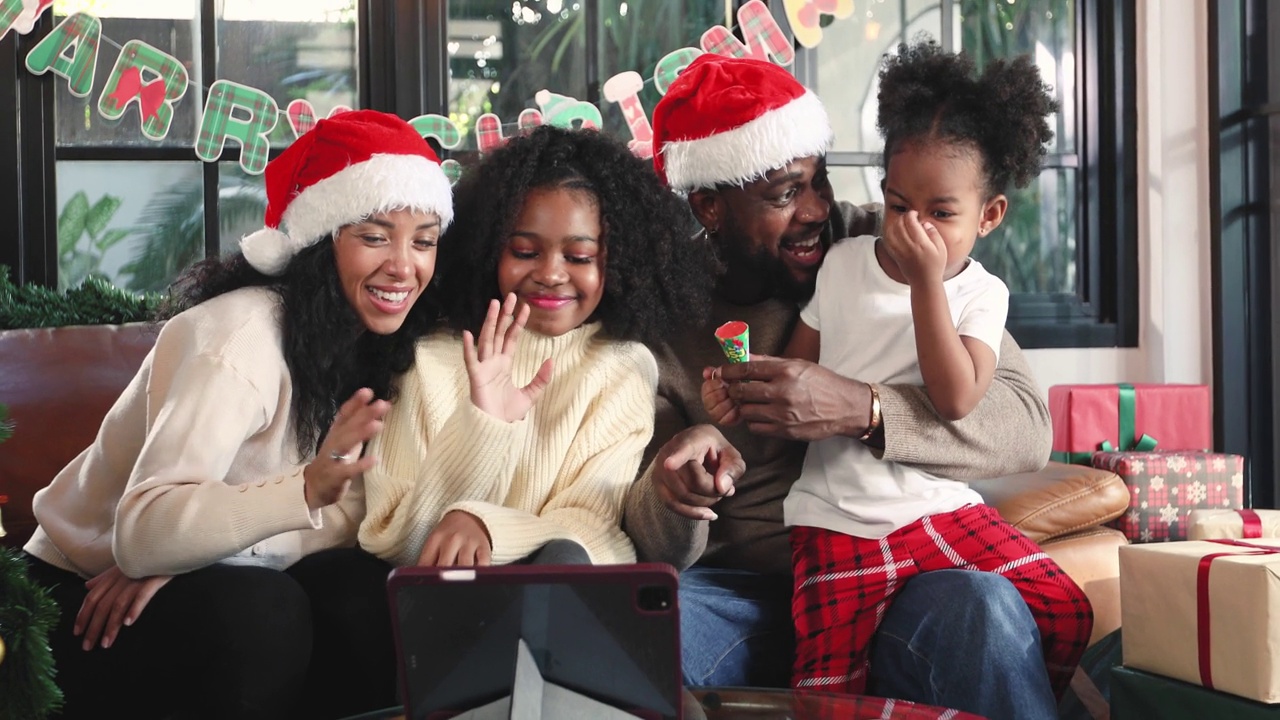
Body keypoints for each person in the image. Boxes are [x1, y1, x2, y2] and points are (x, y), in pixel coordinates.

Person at [623, 53, 1062, 719]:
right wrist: (673, 487)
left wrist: (867, 409)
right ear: (709, 207)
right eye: (783, 194)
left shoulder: (885, 242)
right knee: (638, 638)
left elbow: (1024, 425)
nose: (817, 210)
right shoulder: (658, 315)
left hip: (901, 574)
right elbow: (645, 530)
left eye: (820, 182)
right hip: (741, 586)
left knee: (985, 611)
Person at [21, 109, 454, 719]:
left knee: (366, 594)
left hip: (204, 576)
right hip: (83, 594)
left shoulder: (393, 345)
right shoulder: (241, 333)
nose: (404, 266)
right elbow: (145, 532)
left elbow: (358, 520)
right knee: (261, 613)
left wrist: (201, 553)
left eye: (425, 240)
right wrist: (286, 499)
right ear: (316, 242)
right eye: (374, 236)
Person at [300, 125, 717, 718]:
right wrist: (483, 425)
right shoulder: (432, 358)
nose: (550, 273)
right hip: (440, 610)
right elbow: (395, 536)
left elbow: (592, 527)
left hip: (560, 597)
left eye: (579, 256)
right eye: (525, 251)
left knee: (561, 568)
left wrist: (486, 525)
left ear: (616, 262)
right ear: (489, 248)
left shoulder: (623, 368)